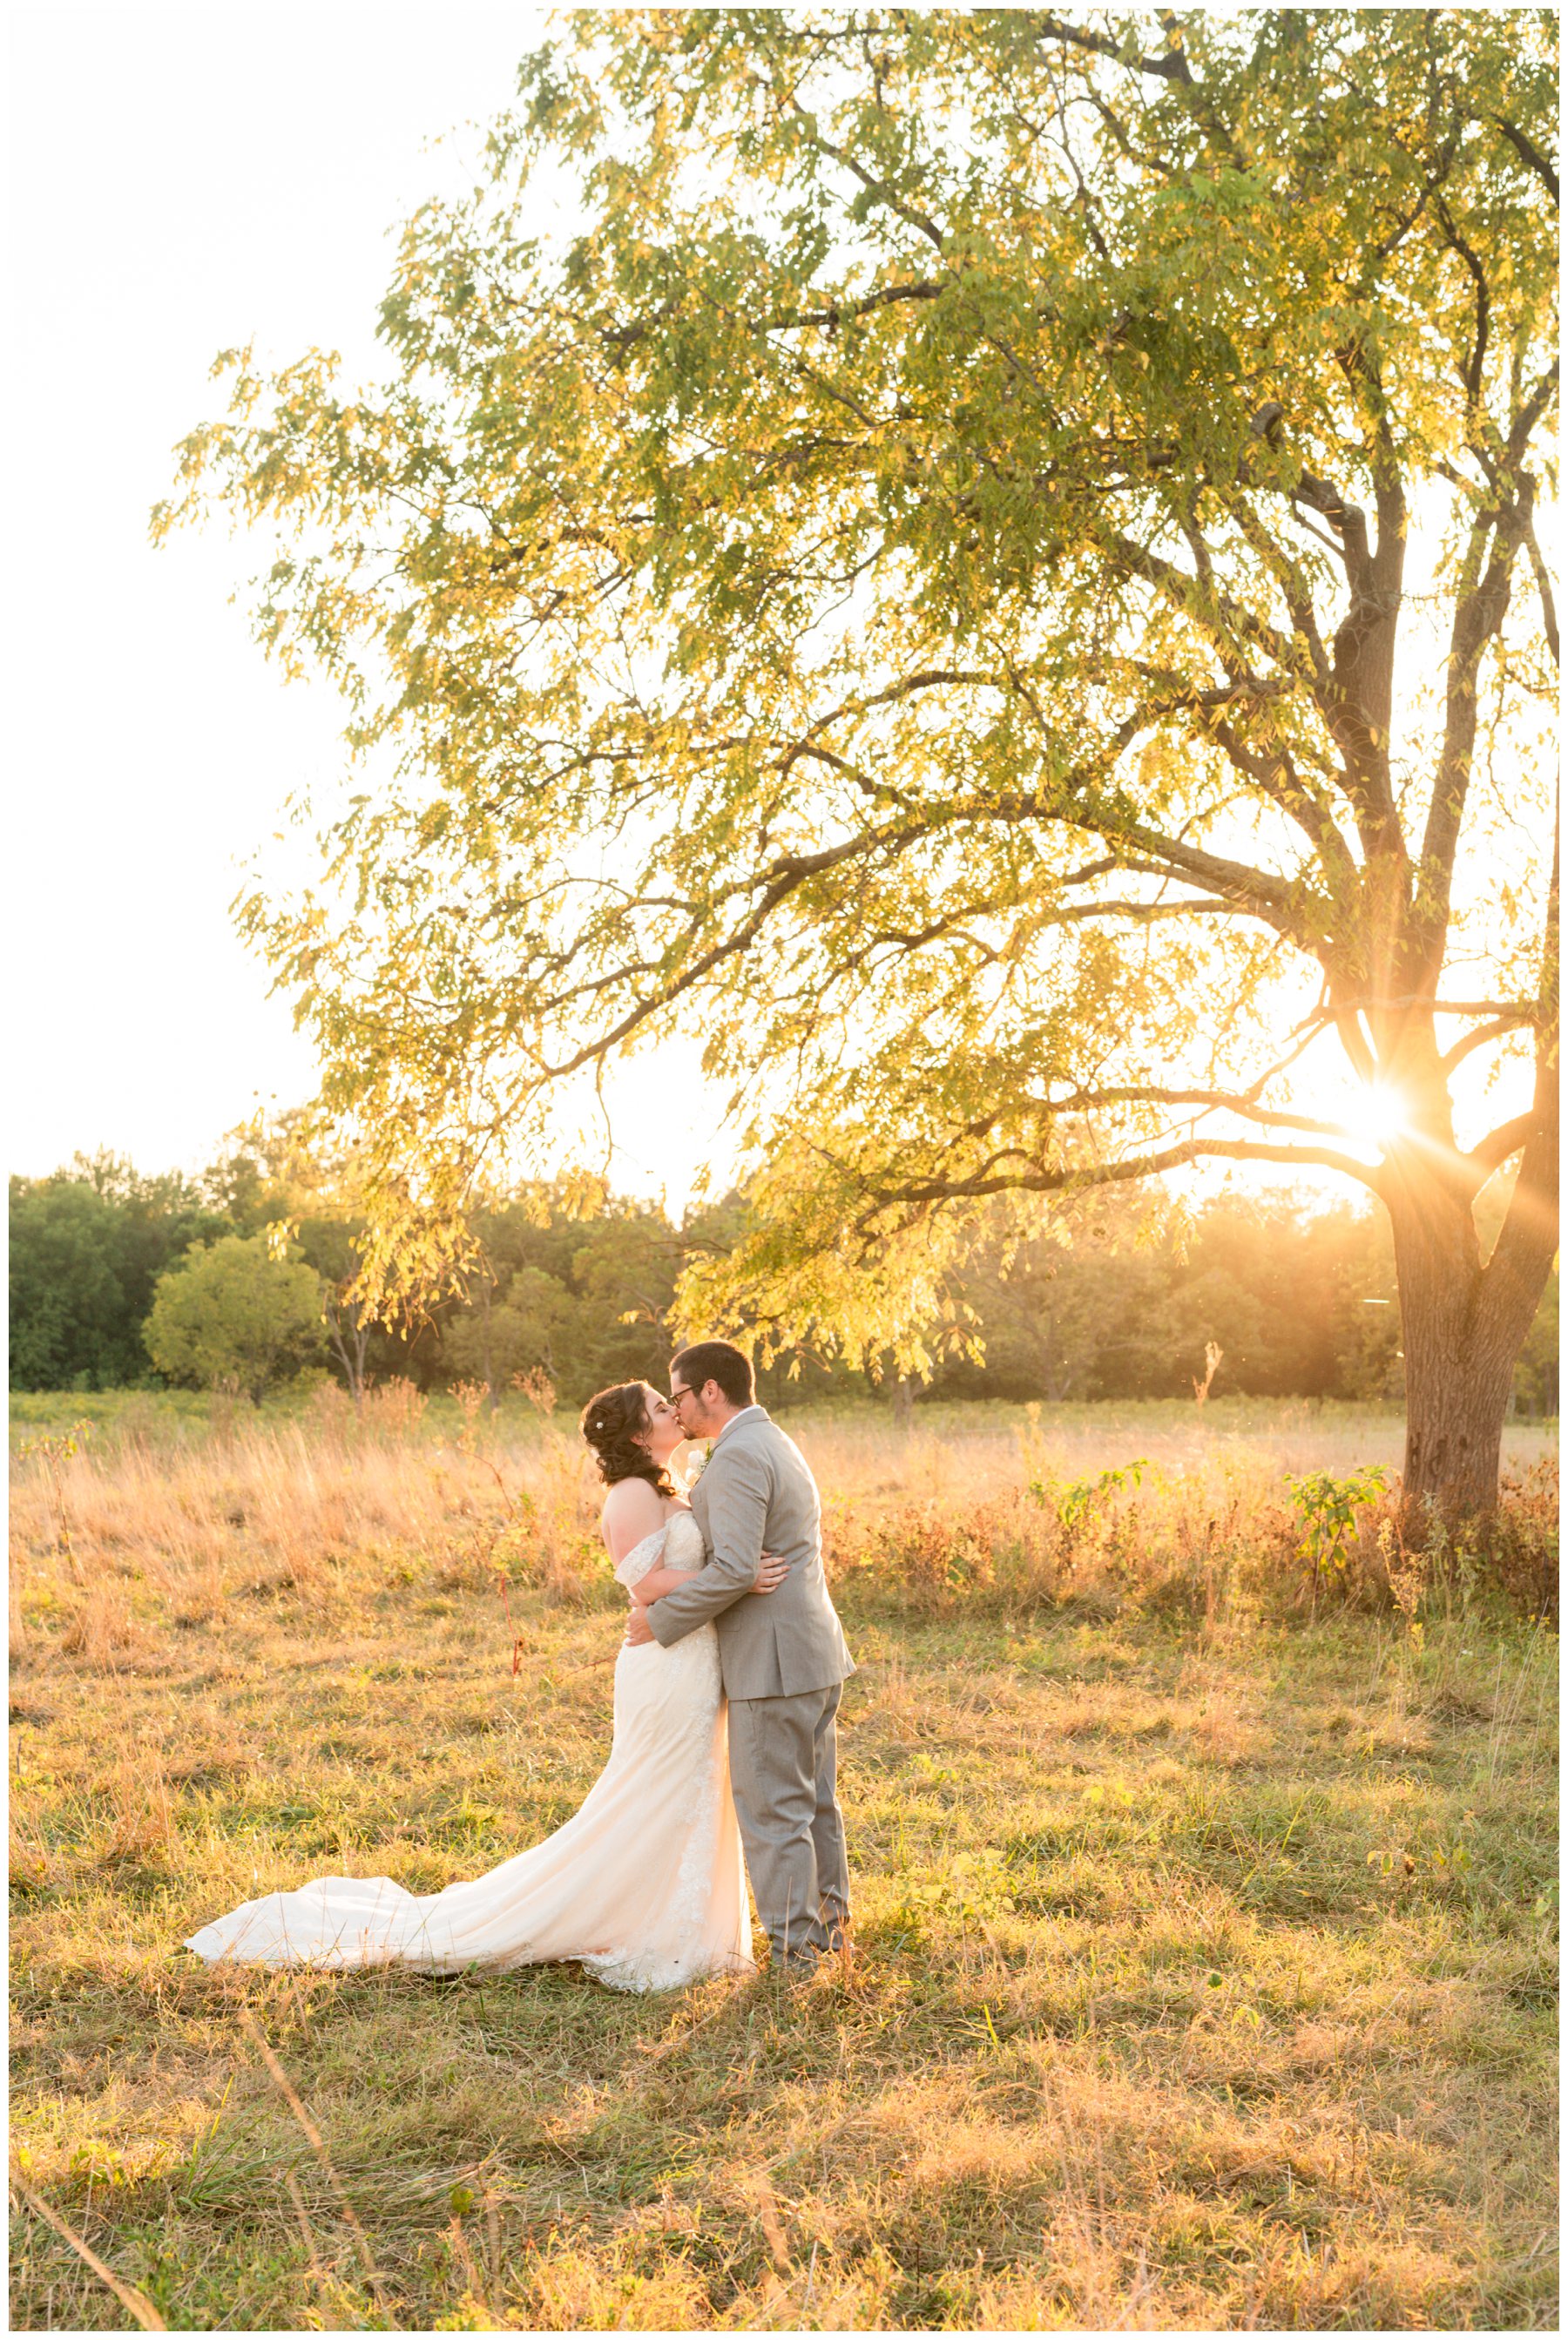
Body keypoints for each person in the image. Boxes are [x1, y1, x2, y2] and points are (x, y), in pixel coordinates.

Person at [182, 1379, 787, 1990]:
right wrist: (736, 1578)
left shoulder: (666, 1488)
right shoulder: (630, 1493)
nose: (674, 1412)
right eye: (661, 1407)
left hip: (694, 1660)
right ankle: (634, 1925)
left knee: (690, 1787)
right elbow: (645, 1585)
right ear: (636, 1433)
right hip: (664, 1665)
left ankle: (665, 1920)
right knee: (655, 1790)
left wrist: (728, 1575)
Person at [625, 1341, 855, 1970]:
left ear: (709, 1392)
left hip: (773, 1661)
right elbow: (743, 1566)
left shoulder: (738, 1458)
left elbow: (734, 1570)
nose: (676, 1409)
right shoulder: (775, 1441)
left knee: (775, 1810)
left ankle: (797, 1956)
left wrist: (658, 1618)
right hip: (812, 1652)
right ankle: (831, 1936)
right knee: (814, 1805)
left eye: (678, 1396)